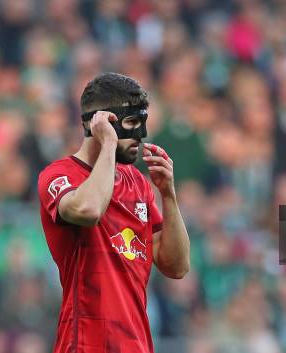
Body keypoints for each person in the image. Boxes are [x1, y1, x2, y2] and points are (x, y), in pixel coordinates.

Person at [37, 73, 190, 353]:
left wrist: (168, 195)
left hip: (137, 344)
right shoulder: (58, 175)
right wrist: (108, 144)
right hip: (86, 343)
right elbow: (89, 210)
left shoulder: (139, 184)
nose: (141, 135)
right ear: (100, 124)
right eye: (132, 123)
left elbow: (177, 266)